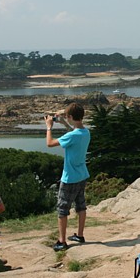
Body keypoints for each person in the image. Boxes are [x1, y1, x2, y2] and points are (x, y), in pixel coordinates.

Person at [45, 102, 91, 252]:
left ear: (71, 116)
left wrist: (49, 127)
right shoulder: (85, 132)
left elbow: (50, 143)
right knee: (81, 205)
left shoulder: (72, 136)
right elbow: (74, 131)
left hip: (69, 177)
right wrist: (64, 123)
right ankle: (80, 235)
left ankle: (62, 241)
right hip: (82, 174)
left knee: (62, 209)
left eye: (67, 116)